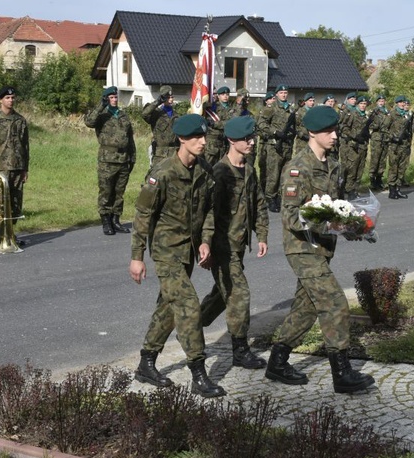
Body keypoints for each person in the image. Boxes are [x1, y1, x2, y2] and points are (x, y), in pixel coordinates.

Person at [265, 105, 375, 394]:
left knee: (306, 308)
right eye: (328, 131)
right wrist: (327, 225)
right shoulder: (297, 167)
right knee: (335, 303)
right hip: (301, 248)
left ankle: (277, 361)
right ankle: (342, 373)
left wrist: (352, 225)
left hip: (323, 249)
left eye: (335, 130)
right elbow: (290, 217)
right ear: (312, 133)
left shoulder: (335, 165)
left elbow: (334, 208)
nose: (334, 135)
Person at [129, 113, 226, 398]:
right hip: (166, 250)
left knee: (169, 306)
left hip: (188, 251)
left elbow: (209, 209)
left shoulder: (204, 170)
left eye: (204, 136)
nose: (203, 142)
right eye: (197, 137)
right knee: (187, 305)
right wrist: (137, 256)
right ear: (182, 139)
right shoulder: (162, 173)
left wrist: (205, 240)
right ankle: (198, 372)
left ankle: (146, 363)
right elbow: (143, 215)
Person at [200, 116, 268, 370]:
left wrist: (261, 235)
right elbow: (208, 214)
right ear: (231, 140)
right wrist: (206, 245)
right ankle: (240, 350)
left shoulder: (249, 169)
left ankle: (192, 323)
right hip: (221, 246)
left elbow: (258, 203)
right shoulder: (220, 172)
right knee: (239, 294)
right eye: (246, 139)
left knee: (224, 292)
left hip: (238, 244)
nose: (251, 142)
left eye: (252, 138)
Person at [84, 86, 136, 235]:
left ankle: (116, 220)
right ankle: (106, 221)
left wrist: (132, 158)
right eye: (111, 97)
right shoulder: (101, 115)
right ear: (107, 99)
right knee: (106, 191)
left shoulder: (123, 115)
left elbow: (130, 138)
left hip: (123, 159)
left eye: (115, 97)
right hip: (107, 160)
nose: (114, 100)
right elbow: (89, 122)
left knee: (119, 192)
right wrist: (101, 105)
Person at [0, 86, 30, 244]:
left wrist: (25, 169)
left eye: (13, 98)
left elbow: (25, 146)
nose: (11, 100)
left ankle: (11, 234)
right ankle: (1, 236)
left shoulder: (20, 120)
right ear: (0, 100)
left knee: (15, 203)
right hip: (0, 167)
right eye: (7, 98)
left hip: (17, 167)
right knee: (0, 203)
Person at [265, 84, 296, 213]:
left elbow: (295, 125)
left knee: (285, 174)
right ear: (276, 94)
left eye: (285, 92)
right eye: (281, 92)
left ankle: (279, 197)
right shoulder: (271, 108)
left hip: (287, 146)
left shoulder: (290, 108)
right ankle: (270, 198)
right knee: (274, 174)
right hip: (274, 146)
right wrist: (276, 132)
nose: (284, 94)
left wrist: (293, 133)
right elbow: (262, 124)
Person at [339, 94, 370, 200]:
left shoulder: (366, 115)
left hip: (363, 145)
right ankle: (347, 189)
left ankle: (355, 189)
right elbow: (343, 127)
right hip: (353, 146)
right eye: (361, 103)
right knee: (352, 168)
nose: (363, 106)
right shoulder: (352, 114)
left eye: (365, 104)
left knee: (360, 169)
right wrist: (354, 136)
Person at [142, 85, 179, 168]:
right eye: (168, 97)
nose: (171, 100)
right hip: (160, 155)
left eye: (172, 97)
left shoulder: (176, 115)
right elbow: (144, 114)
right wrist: (157, 101)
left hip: (174, 154)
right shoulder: (156, 113)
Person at [383, 95, 410, 199]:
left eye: (404, 103)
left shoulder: (406, 114)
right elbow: (384, 128)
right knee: (394, 168)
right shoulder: (392, 114)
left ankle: (398, 189)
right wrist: (392, 137)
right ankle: (392, 190)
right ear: (397, 103)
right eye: (401, 102)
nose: (403, 104)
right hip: (394, 145)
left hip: (404, 144)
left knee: (401, 168)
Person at [204, 86, 237, 166]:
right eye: (222, 94)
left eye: (227, 94)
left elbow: (231, 123)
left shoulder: (233, 109)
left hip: (226, 143)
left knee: (224, 168)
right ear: (218, 96)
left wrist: (216, 124)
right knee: (209, 167)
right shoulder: (212, 108)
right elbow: (208, 121)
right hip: (213, 143)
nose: (225, 96)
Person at [367, 94, 389, 191]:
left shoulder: (387, 112)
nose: (381, 102)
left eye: (383, 101)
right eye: (380, 101)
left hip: (385, 138)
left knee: (382, 160)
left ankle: (379, 179)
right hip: (377, 137)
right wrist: (376, 125)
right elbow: (369, 124)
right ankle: (372, 180)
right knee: (375, 159)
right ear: (377, 102)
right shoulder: (374, 112)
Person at [256, 91, 276, 193]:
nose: (273, 100)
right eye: (271, 99)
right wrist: (265, 134)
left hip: (272, 143)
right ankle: (262, 189)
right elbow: (258, 125)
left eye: (274, 99)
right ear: (267, 100)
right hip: (264, 143)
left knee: (271, 168)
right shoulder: (263, 111)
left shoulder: (276, 110)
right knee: (263, 166)